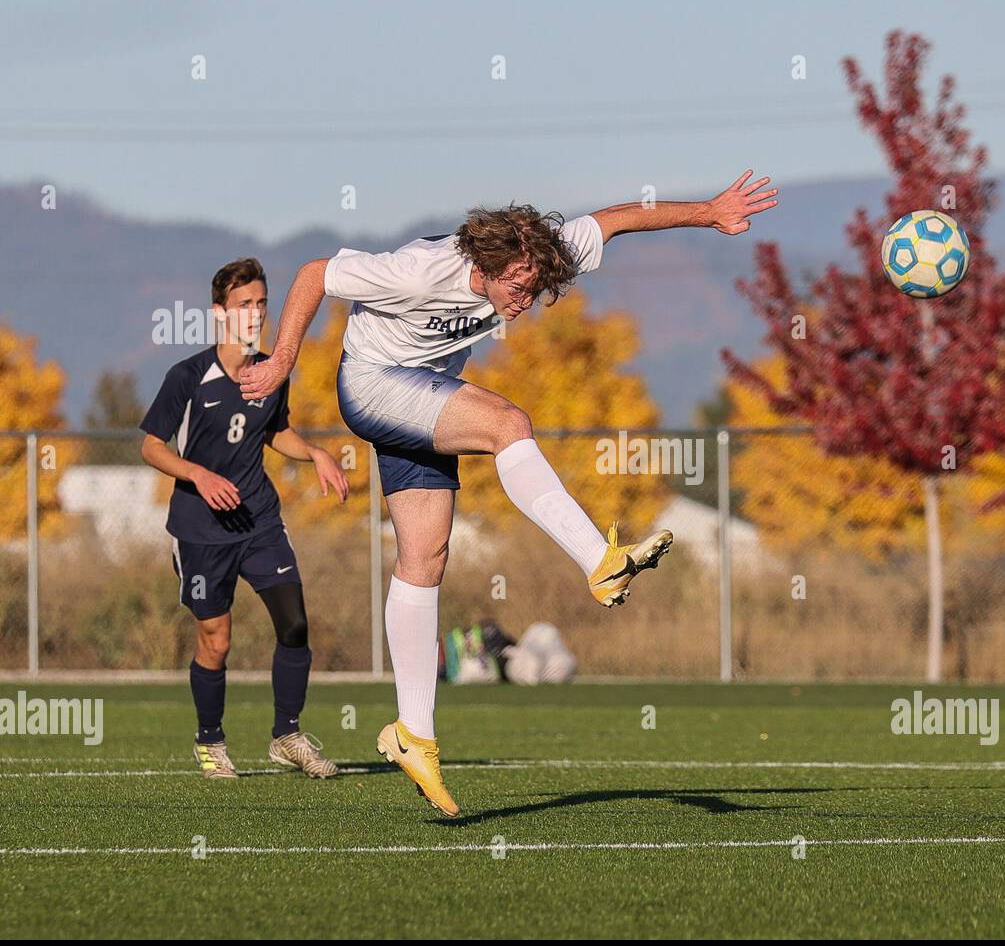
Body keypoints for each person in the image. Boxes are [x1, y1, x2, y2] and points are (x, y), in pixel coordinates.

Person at [238, 171, 779, 815]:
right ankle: (599, 564)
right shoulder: (418, 269)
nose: (525, 300)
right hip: (376, 385)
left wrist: (710, 211)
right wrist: (280, 362)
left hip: (423, 399)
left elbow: (618, 220)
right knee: (508, 425)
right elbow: (313, 274)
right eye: (518, 288)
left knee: (424, 557)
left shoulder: (539, 251)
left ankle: (414, 733)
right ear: (489, 265)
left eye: (535, 288)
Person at [141, 257, 349, 781]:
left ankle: (287, 736)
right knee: (217, 640)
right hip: (199, 530)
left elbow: (276, 431)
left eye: (261, 303)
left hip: (259, 520)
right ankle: (210, 741)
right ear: (219, 313)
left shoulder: (272, 372)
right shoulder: (188, 376)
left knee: (295, 625)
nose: (255, 314)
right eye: (243, 305)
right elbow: (149, 446)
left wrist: (316, 454)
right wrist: (198, 476)